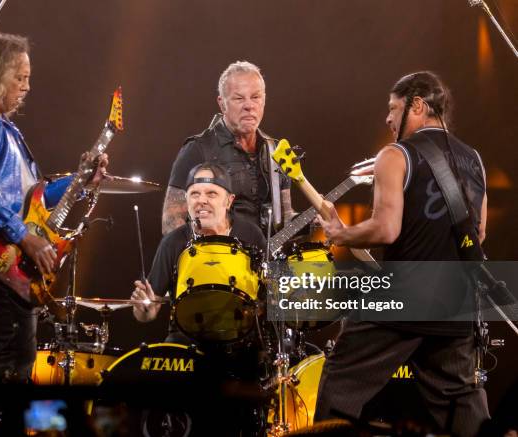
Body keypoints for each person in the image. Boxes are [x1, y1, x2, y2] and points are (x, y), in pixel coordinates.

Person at [315, 71, 489, 436]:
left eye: (394, 108)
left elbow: (386, 228)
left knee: (341, 378)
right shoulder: (474, 159)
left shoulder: (395, 155)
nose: (388, 118)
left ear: (419, 106)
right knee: (459, 396)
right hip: (457, 302)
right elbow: (478, 235)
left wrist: (341, 234)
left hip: (403, 299)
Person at [0, 32, 108, 383]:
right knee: (13, 352)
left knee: (20, 353)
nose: (26, 86)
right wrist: (24, 236)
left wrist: (81, 181)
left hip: (14, 249)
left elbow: (37, 198)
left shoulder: (10, 132)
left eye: (28, 78)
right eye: (19, 77)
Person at [132, 162, 265, 335]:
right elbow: (146, 313)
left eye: (212, 193)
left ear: (229, 201)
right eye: (195, 194)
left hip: (241, 338)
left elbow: (277, 293)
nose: (202, 200)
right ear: (186, 200)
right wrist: (145, 310)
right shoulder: (173, 242)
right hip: (187, 341)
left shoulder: (251, 234)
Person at [162, 61, 294, 236]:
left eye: (256, 97)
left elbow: (285, 216)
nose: (249, 105)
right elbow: (171, 223)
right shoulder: (197, 150)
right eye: (239, 98)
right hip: (219, 258)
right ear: (222, 103)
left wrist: (314, 218)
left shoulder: (276, 151)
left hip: (267, 260)